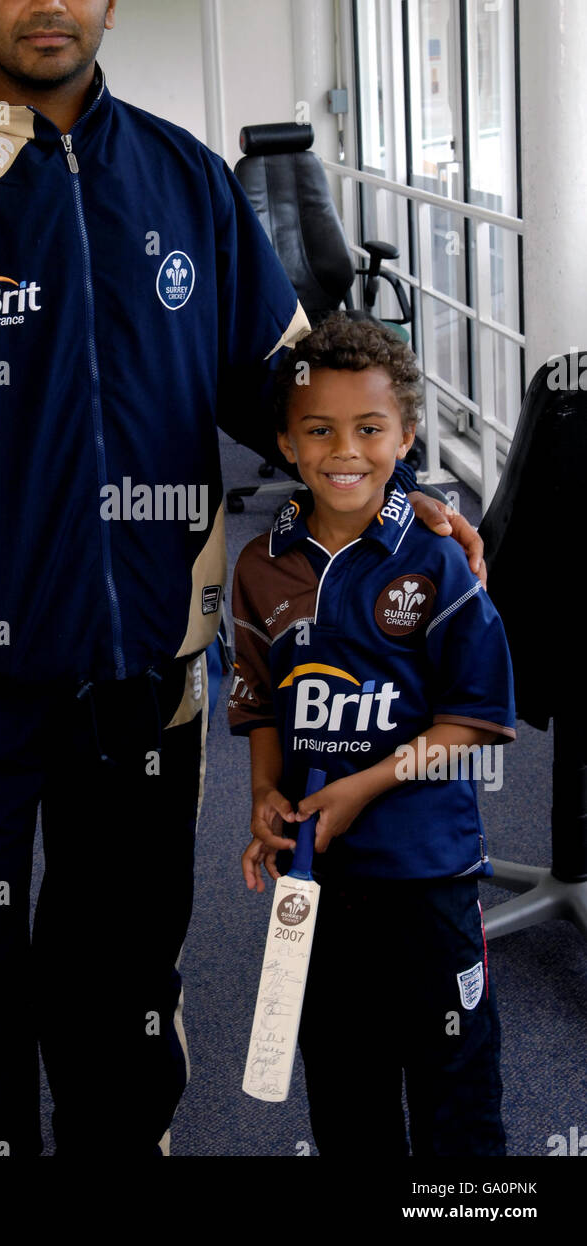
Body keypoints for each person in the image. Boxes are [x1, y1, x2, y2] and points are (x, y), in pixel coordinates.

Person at [0, 0, 486, 1157]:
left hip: (149, 671)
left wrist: (402, 494)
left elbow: (284, 384)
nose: (45, 1)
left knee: (123, 971)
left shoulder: (183, 181)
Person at [229, 313, 515, 1156]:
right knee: (347, 1095)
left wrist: (362, 788)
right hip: (319, 889)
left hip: (429, 880)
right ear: (285, 442)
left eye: (369, 429)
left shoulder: (438, 560)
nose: (343, 450)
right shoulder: (261, 568)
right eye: (319, 430)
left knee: (457, 1094)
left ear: (407, 435)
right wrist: (263, 798)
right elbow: (260, 707)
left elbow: (474, 720)